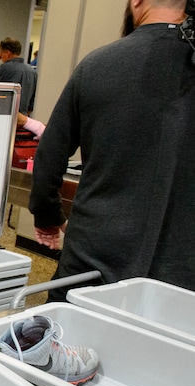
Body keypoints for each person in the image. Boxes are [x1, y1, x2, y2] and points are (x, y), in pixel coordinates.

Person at [29, 0, 195, 302]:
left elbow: (50, 158)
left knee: (72, 345)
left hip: (94, 264)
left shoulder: (98, 65)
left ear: (136, 1)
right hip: (180, 279)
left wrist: (48, 216)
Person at [0, 37, 37, 114]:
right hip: (23, 117)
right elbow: (32, 103)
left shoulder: (5, 68)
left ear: (7, 53)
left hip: (5, 115)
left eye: (1, 53)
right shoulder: (33, 72)